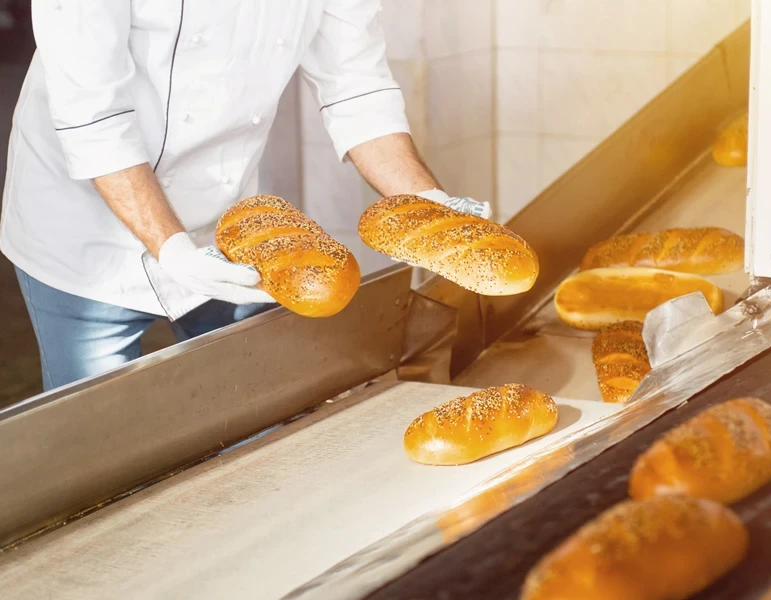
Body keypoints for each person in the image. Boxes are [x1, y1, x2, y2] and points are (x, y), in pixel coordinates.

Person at [0, 1, 490, 393]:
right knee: (91, 447)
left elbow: (356, 90)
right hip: (86, 230)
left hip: (223, 221)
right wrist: (171, 248)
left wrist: (429, 204)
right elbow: (94, 118)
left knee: (259, 418)